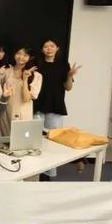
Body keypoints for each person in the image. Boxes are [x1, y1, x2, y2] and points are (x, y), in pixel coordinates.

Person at [34, 38, 82, 180]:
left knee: (52, 141)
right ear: (42, 49)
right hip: (37, 105)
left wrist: (70, 75)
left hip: (55, 106)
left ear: (57, 48)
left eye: (52, 46)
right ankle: (34, 172)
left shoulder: (63, 65)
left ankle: (48, 174)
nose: (49, 48)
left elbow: (68, 87)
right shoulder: (37, 64)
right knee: (34, 139)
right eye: (45, 46)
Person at [0, 45, 42, 124]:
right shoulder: (6, 71)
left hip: (23, 115)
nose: (21, 57)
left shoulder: (36, 75)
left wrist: (25, 79)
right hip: (5, 113)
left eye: (25, 55)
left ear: (30, 57)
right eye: (18, 53)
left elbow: (26, 99)